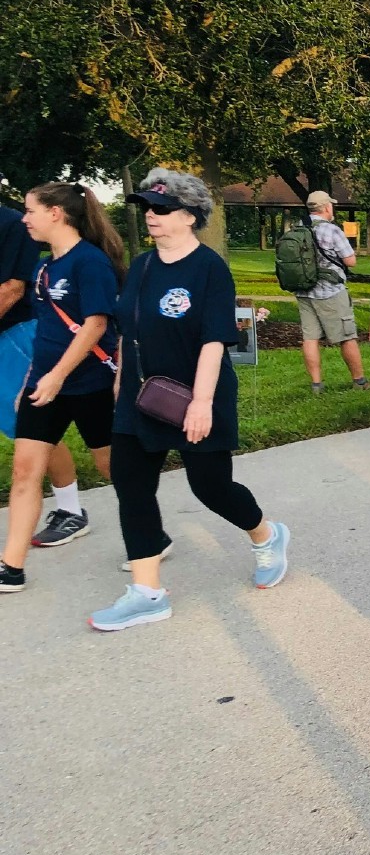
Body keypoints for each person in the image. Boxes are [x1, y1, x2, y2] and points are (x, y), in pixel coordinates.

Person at [87, 169, 291, 630]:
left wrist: (201, 403)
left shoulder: (209, 269)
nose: (151, 217)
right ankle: (147, 592)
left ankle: (265, 534)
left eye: (161, 209)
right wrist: (121, 377)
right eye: (147, 208)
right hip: (141, 396)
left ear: (189, 216)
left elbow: (213, 341)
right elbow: (129, 327)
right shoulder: (141, 266)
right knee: (131, 483)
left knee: (210, 487)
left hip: (200, 393)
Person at [0, 184, 123, 594]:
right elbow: (47, 333)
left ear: (56, 213)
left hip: (90, 385)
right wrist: (34, 378)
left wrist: (57, 376)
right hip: (43, 384)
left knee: (113, 469)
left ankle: (149, 534)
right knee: (24, 471)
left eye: (30, 210)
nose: (24, 218)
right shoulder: (43, 269)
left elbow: (96, 325)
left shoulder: (90, 263)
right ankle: (11, 566)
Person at [0, 201, 86, 544]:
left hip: (13, 335)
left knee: (30, 424)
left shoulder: (11, 224)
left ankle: (70, 510)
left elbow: (11, 289)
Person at [296, 190, 368, 394]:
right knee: (347, 336)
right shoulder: (332, 230)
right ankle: (359, 381)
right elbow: (350, 261)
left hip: (303, 291)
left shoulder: (298, 227)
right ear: (327, 207)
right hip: (330, 291)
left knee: (310, 338)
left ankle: (316, 385)